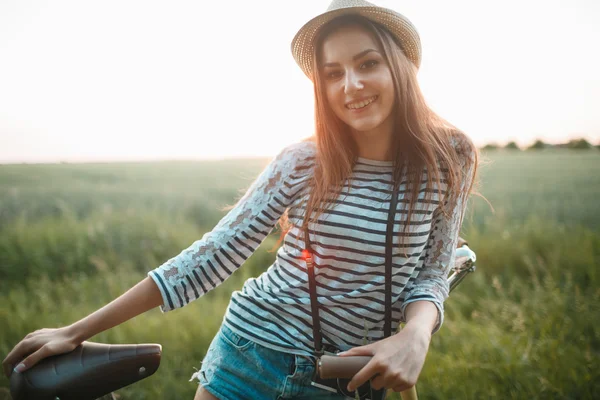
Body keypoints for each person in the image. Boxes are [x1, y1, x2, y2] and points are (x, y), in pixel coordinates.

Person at [3, 0, 478, 399]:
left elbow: (432, 272)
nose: (350, 86)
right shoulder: (302, 161)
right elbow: (212, 254)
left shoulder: (450, 157)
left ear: (399, 65)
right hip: (249, 360)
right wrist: (75, 331)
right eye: (333, 73)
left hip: (355, 376)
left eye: (367, 63)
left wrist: (415, 335)